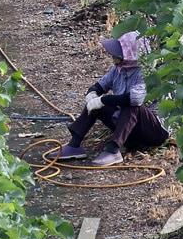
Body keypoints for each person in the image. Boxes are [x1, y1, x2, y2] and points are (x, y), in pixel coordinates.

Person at [58, 31, 170, 167]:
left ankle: (113, 150)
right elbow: (99, 86)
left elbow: (135, 99)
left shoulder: (146, 73)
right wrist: (92, 95)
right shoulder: (118, 69)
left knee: (132, 105)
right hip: (128, 128)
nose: (113, 56)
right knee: (95, 105)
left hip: (153, 132)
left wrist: (103, 100)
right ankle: (74, 145)